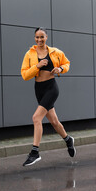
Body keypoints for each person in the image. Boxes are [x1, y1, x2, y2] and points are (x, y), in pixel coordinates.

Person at [21, 27, 76, 167]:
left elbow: (67, 64)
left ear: (46, 37)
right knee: (54, 122)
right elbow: (25, 75)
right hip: (39, 89)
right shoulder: (29, 54)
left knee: (36, 118)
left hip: (51, 88)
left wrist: (60, 69)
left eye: (42, 37)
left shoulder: (55, 52)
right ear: (34, 38)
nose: (39, 40)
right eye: (37, 37)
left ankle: (35, 152)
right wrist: (37, 66)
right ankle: (68, 140)